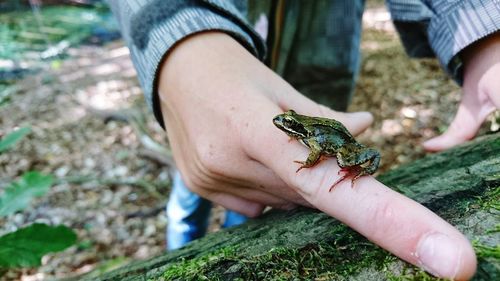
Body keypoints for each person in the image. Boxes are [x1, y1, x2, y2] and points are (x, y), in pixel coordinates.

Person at [108, 1, 500, 279]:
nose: (285, 128)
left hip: (322, 84)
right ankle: (182, 244)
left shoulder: (309, 133)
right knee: (194, 196)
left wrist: (478, 24)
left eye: (288, 127)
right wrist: (182, 41)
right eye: (288, 126)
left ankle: (233, 232)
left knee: (252, 201)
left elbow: (317, 151)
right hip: (209, 117)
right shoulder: (295, 127)